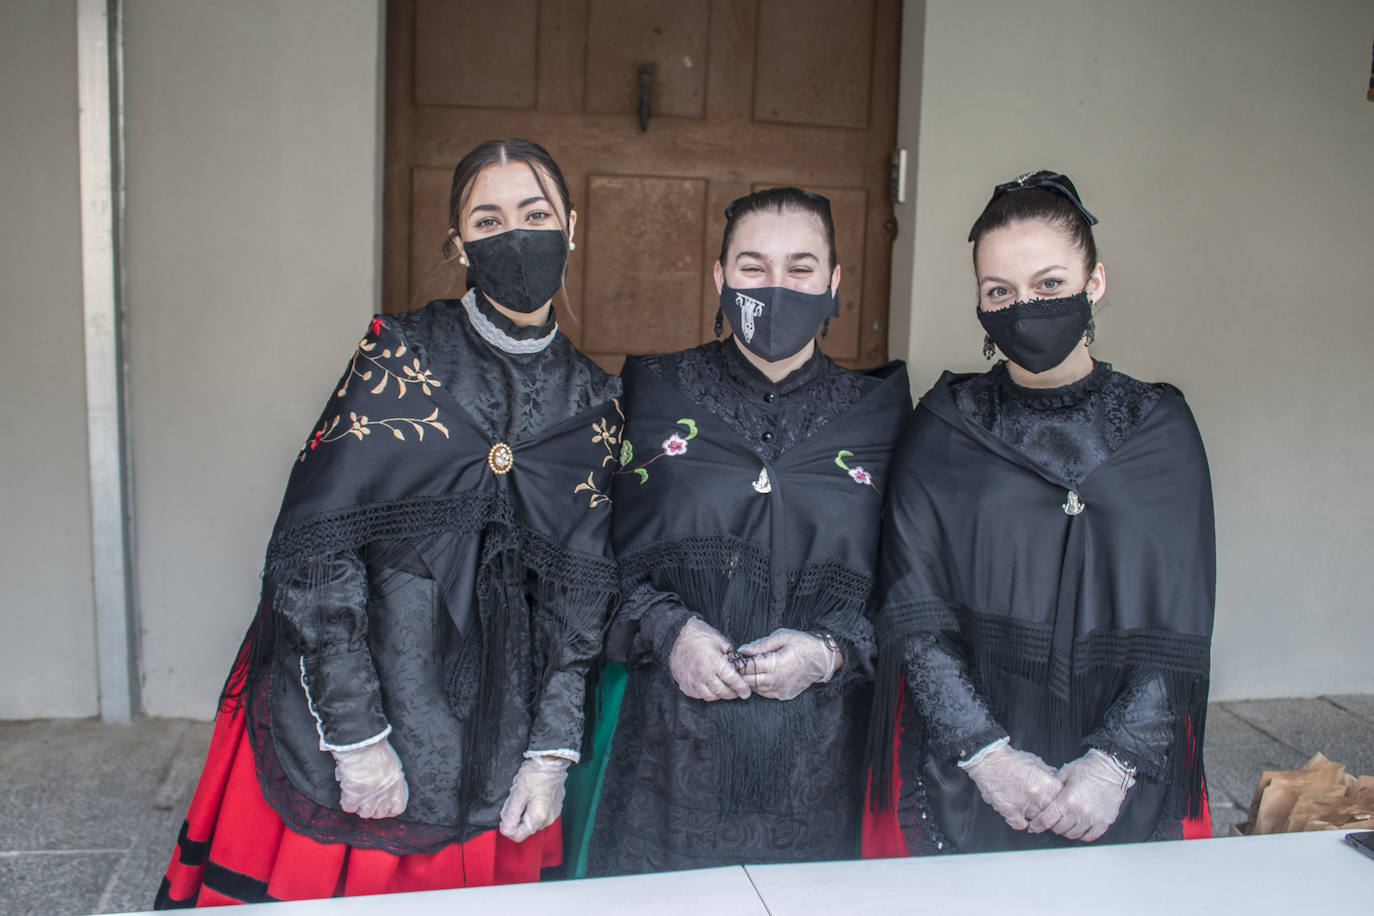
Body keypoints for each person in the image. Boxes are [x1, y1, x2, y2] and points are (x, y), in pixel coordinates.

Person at [155, 139, 622, 906]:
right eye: (488, 218)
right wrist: (356, 735)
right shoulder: (399, 354)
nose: (515, 235)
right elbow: (316, 548)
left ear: (571, 227)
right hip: (374, 696)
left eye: (535, 214)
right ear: (458, 242)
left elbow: (580, 591)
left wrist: (550, 749)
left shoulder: (593, 400)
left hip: (501, 727)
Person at [864, 170, 1214, 857]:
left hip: (1126, 773)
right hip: (964, 769)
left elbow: (1180, 620)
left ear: (1096, 282)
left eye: (1049, 285)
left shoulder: (1161, 426)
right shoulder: (945, 424)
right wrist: (986, 755)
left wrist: (1114, 765)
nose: (1024, 307)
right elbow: (913, 606)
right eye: (1000, 292)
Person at [579, 187, 912, 875]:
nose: (776, 286)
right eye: (753, 267)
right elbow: (586, 555)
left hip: (826, 757)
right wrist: (670, 632)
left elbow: (914, 586)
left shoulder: (880, 417)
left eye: (801, 268)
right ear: (720, 278)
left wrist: (827, 652)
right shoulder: (649, 395)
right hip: (662, 751)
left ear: (834, 283)